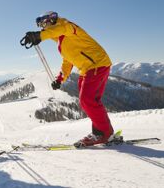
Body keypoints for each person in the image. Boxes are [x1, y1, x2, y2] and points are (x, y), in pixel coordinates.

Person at [22, 11, 114, 147]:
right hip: (88, 68)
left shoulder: (67, 26)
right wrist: (60, 79)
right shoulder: (62, 41)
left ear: (51, 20)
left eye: (43, 24)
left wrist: (39, 36)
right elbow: (67, 61)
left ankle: (104, 133)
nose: (43, 28)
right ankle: (102, 132)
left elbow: (60, 29)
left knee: (87, 100)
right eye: (40, 26)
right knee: (90, 101)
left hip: (96, 64)